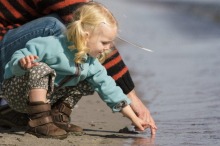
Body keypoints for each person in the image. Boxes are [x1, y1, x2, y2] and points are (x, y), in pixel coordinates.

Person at [0, 0, 157, 134]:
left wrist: (134, 116)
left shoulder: (89, 62)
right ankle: (40, 122)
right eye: (104, 43)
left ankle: (57, 116)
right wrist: (22, 65)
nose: (108, 48)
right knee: (53, 26)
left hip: (29, 92)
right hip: (14, 90)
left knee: (88, 77)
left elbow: (109, 88)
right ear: (85, 36)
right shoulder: (50, 45)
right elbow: (18, 58)